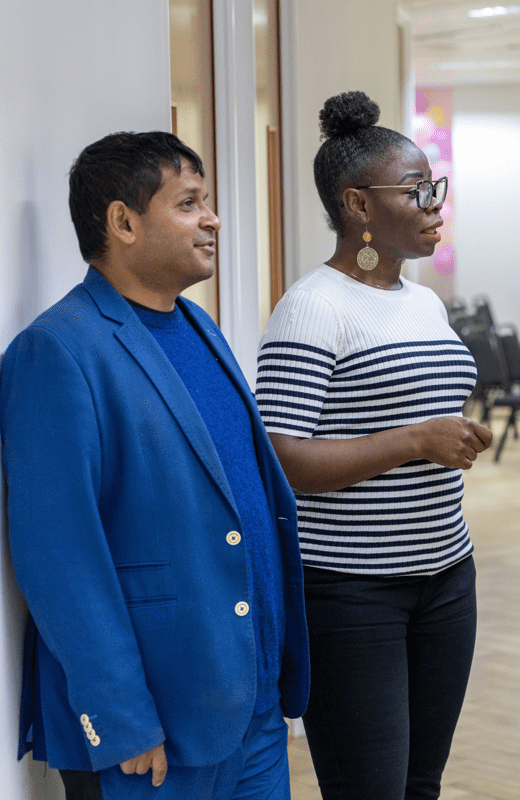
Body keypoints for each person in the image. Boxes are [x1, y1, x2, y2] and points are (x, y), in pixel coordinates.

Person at [0, 131, 309, 799]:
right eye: (190, 203)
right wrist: (121, 719)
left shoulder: (201, 327)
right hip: (149, 735)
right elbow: (59, 556)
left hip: (248, 709)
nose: (213, 219)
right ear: (124, 221)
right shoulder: (57, 351)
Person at [255, 91, 492, 800]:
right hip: (351, 592)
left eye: (435, 187)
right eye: (417, 190)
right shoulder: (312, 308)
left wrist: (446, 433)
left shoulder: (422, 301)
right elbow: (283, 461)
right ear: (357, 206)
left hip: (446, 573)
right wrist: (417, 438)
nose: (434, 204)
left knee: (420, 785)